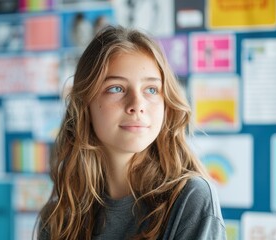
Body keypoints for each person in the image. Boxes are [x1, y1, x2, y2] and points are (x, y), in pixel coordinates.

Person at [37, 26, 226, 239]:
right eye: (116, 88)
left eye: (151, 90)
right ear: (85, 105)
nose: (137, 104)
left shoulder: (189, 199)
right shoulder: (60, 217)